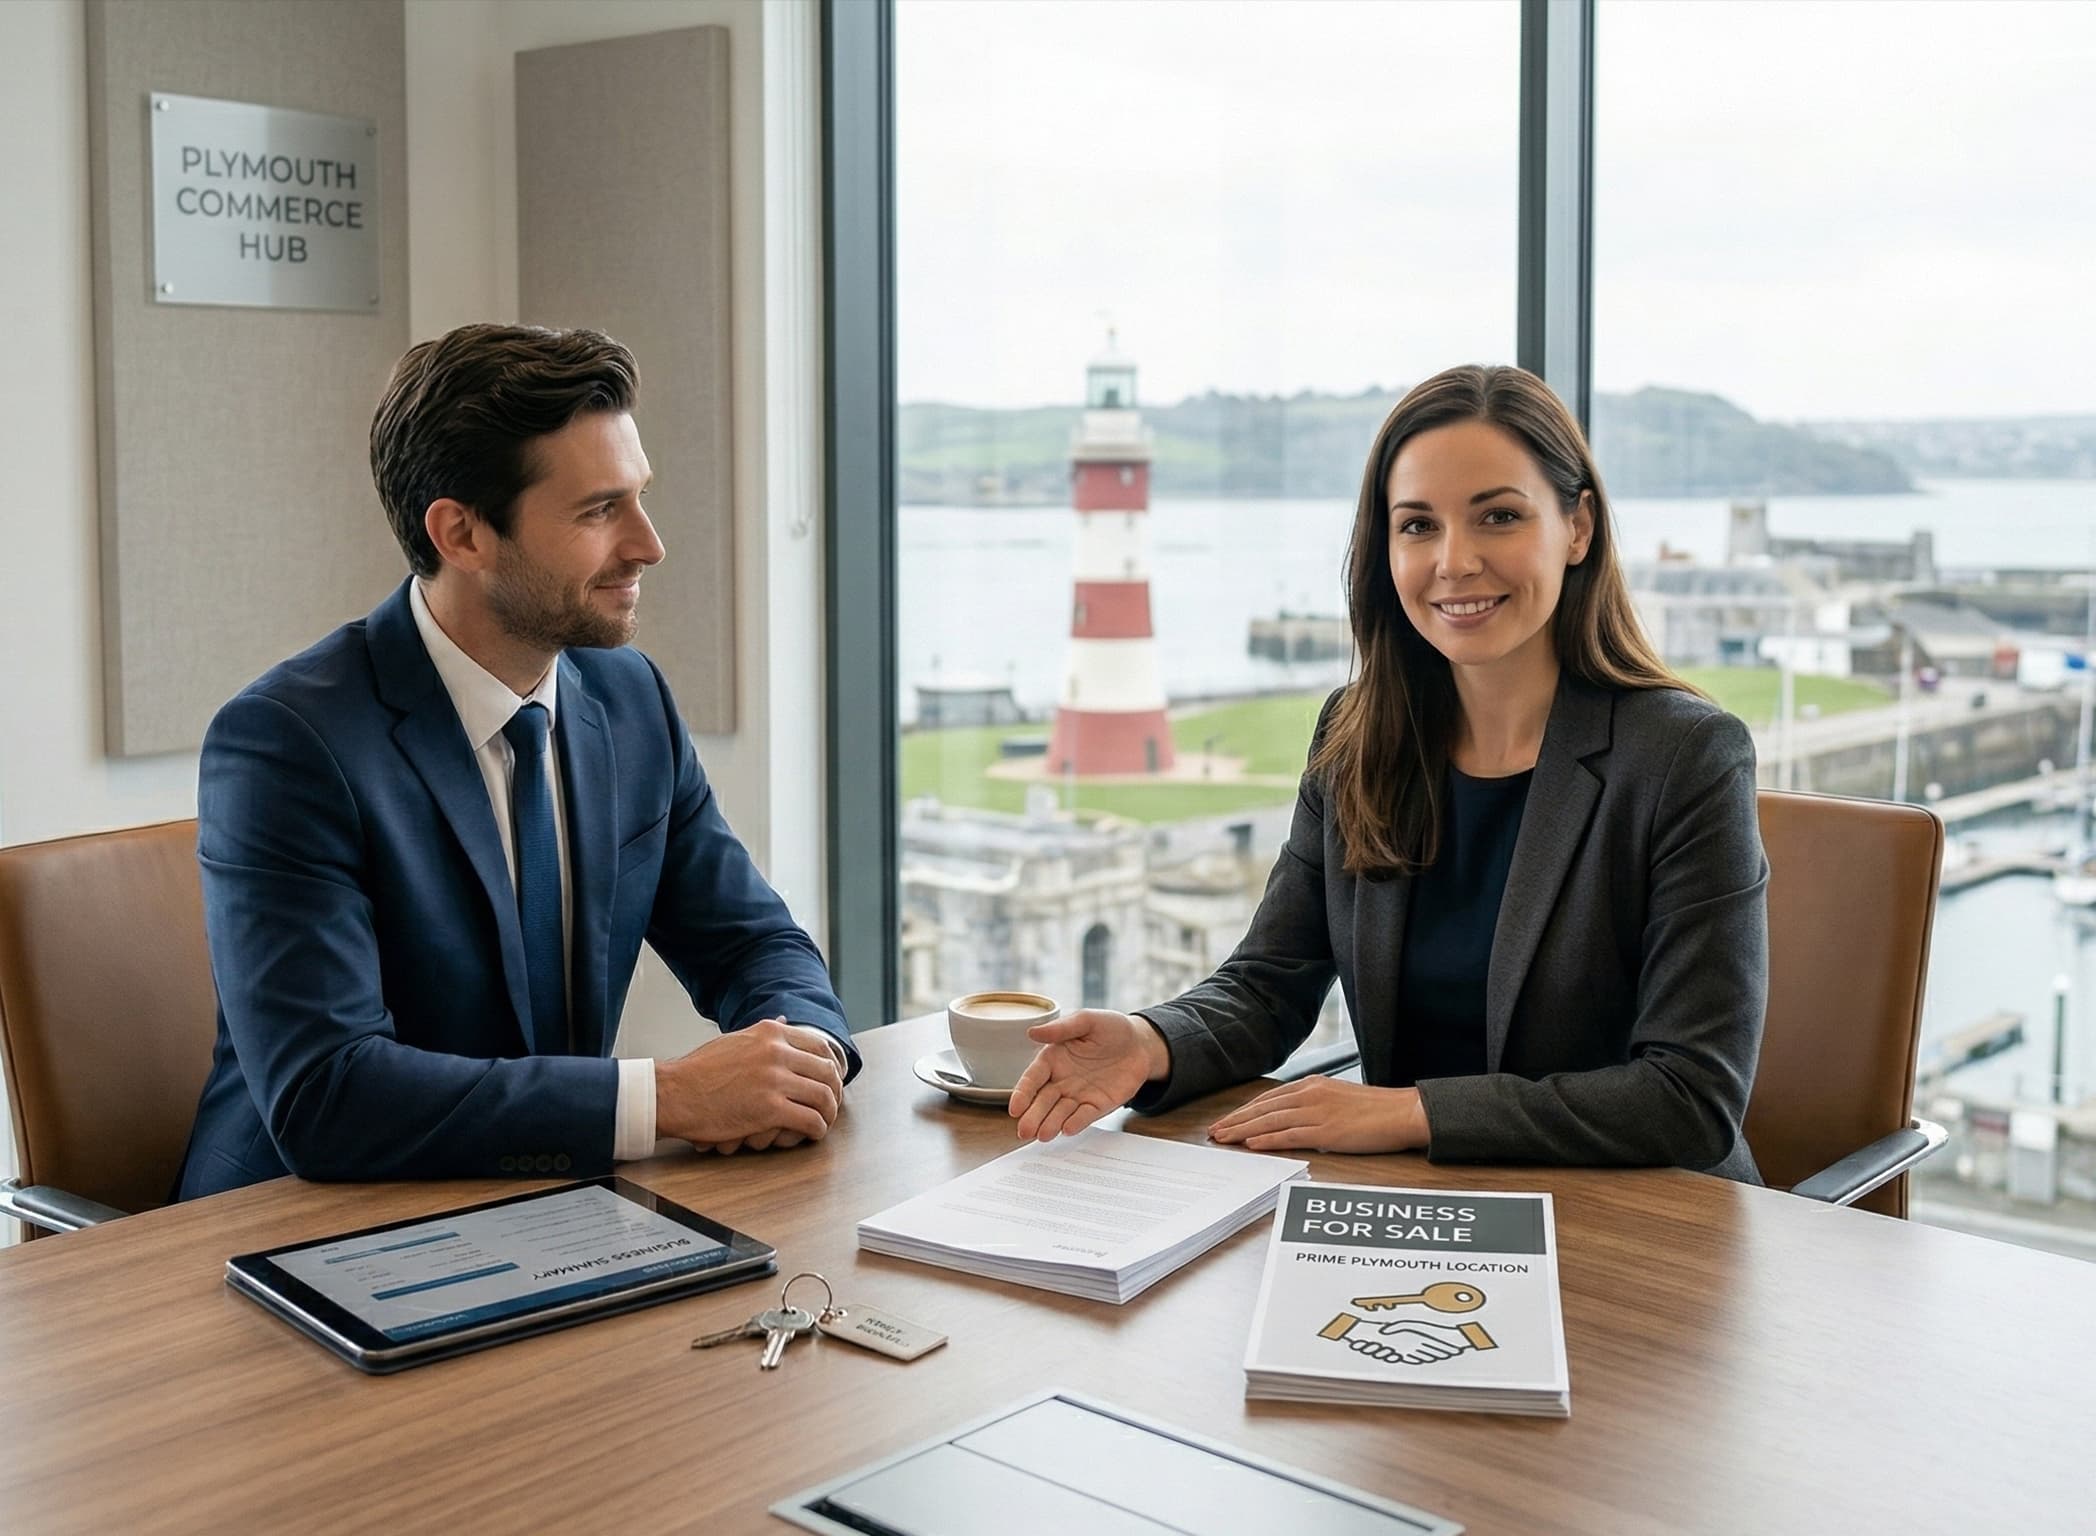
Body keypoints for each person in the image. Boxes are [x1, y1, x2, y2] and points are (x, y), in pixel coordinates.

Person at [1008, 364, 1767, 1179]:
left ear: (1578, 527)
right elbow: (1270, 985)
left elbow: (1689, 1097)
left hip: (1642, 1228)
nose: (1455, 562)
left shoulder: (1686, 758)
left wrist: (1411, 1111)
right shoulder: (1357, 733)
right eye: (1417, 526)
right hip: (1411, 1203)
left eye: (1499, 517)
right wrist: (1151, 1041)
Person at [176, 324, 856, 1198]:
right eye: (599, 510)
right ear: (461, 533)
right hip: (298, 1235)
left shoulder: (629, 697)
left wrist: (802, 1054)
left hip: (551, 1212)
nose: (649, 544)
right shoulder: (287, 744)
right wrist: (672, 1098)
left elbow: (753, 942)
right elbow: (328, 1094)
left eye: (638, 497)